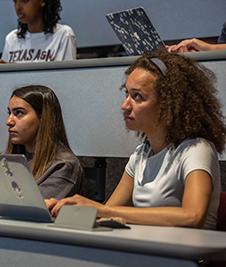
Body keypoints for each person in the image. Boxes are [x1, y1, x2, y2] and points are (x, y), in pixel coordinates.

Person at [47, 48, 226, 230]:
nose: (125, 105)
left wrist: (103, 210)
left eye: (137, 96)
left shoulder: (196, 149)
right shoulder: (140, 155)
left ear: (169, 104)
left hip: (188, 258)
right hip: (148, 253)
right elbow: (106, 212)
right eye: (127, 94)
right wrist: (62, 208)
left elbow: (192, 216)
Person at [0, 0, 76, 64]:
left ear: (42, 1)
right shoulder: (12, 38)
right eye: (15, 1)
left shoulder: (63, 34)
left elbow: (66, 78)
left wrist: (14, 69)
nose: (18, 7)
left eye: (24, 1)